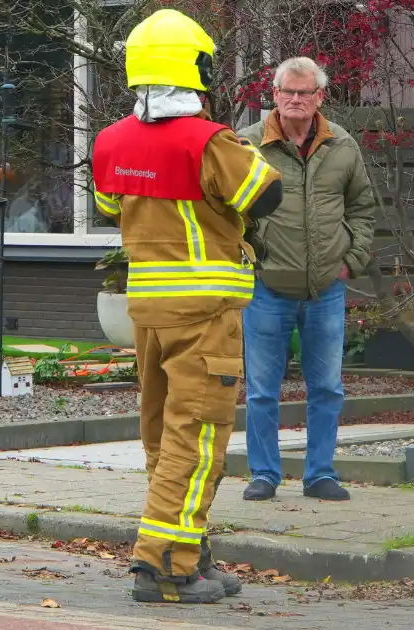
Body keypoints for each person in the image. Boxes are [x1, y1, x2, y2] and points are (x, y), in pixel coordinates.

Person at [90, 8, 283, 604]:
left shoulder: (111, 140)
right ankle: (163, 568)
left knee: (162, 439)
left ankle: (188, 551)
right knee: (197, 439)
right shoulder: (210, 140)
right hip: (204, 312)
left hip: (147, 310)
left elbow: (106, 204)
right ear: (194, 67)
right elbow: (267, 193)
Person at [236, 57, 376, 502]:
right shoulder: (248, 145)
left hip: (326, 290)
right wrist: (249, 259)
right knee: (261, 391)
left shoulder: (344, 147)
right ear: (274, 95)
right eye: (288, 92)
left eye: (305, 92)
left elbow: (363, 209)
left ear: (320, 97)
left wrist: (350, 260)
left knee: (328, 388)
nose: (296, 100)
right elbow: (228, 212)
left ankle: (320, 474)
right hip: (267, 287)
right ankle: (264, 474)